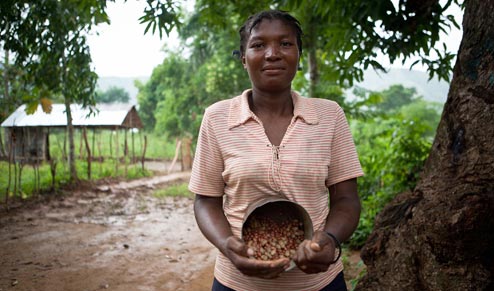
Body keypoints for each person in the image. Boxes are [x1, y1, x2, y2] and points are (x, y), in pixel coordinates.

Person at [189, 9, 363, 291]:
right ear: (244, 58)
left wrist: (329, 240)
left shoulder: (329, 116)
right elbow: (206, 201)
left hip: (318, 283)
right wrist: (228, 245)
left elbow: (346, 199)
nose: (272, 53)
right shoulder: (218, 117)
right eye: (258, 45)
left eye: (285, 43)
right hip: (238, 283)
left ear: (298, 55)